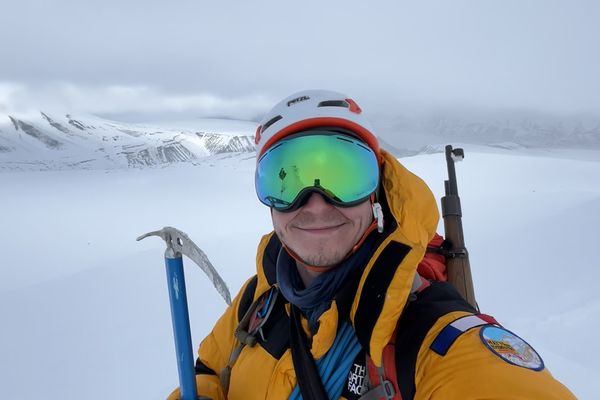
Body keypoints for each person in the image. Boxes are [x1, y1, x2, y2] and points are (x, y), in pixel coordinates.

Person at [169, 90, 575, 399]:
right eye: (286, 180)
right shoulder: (260, 297)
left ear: (376, 193)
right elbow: (207, 371)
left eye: (343, 177)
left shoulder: (429, 342)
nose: (314, 204)